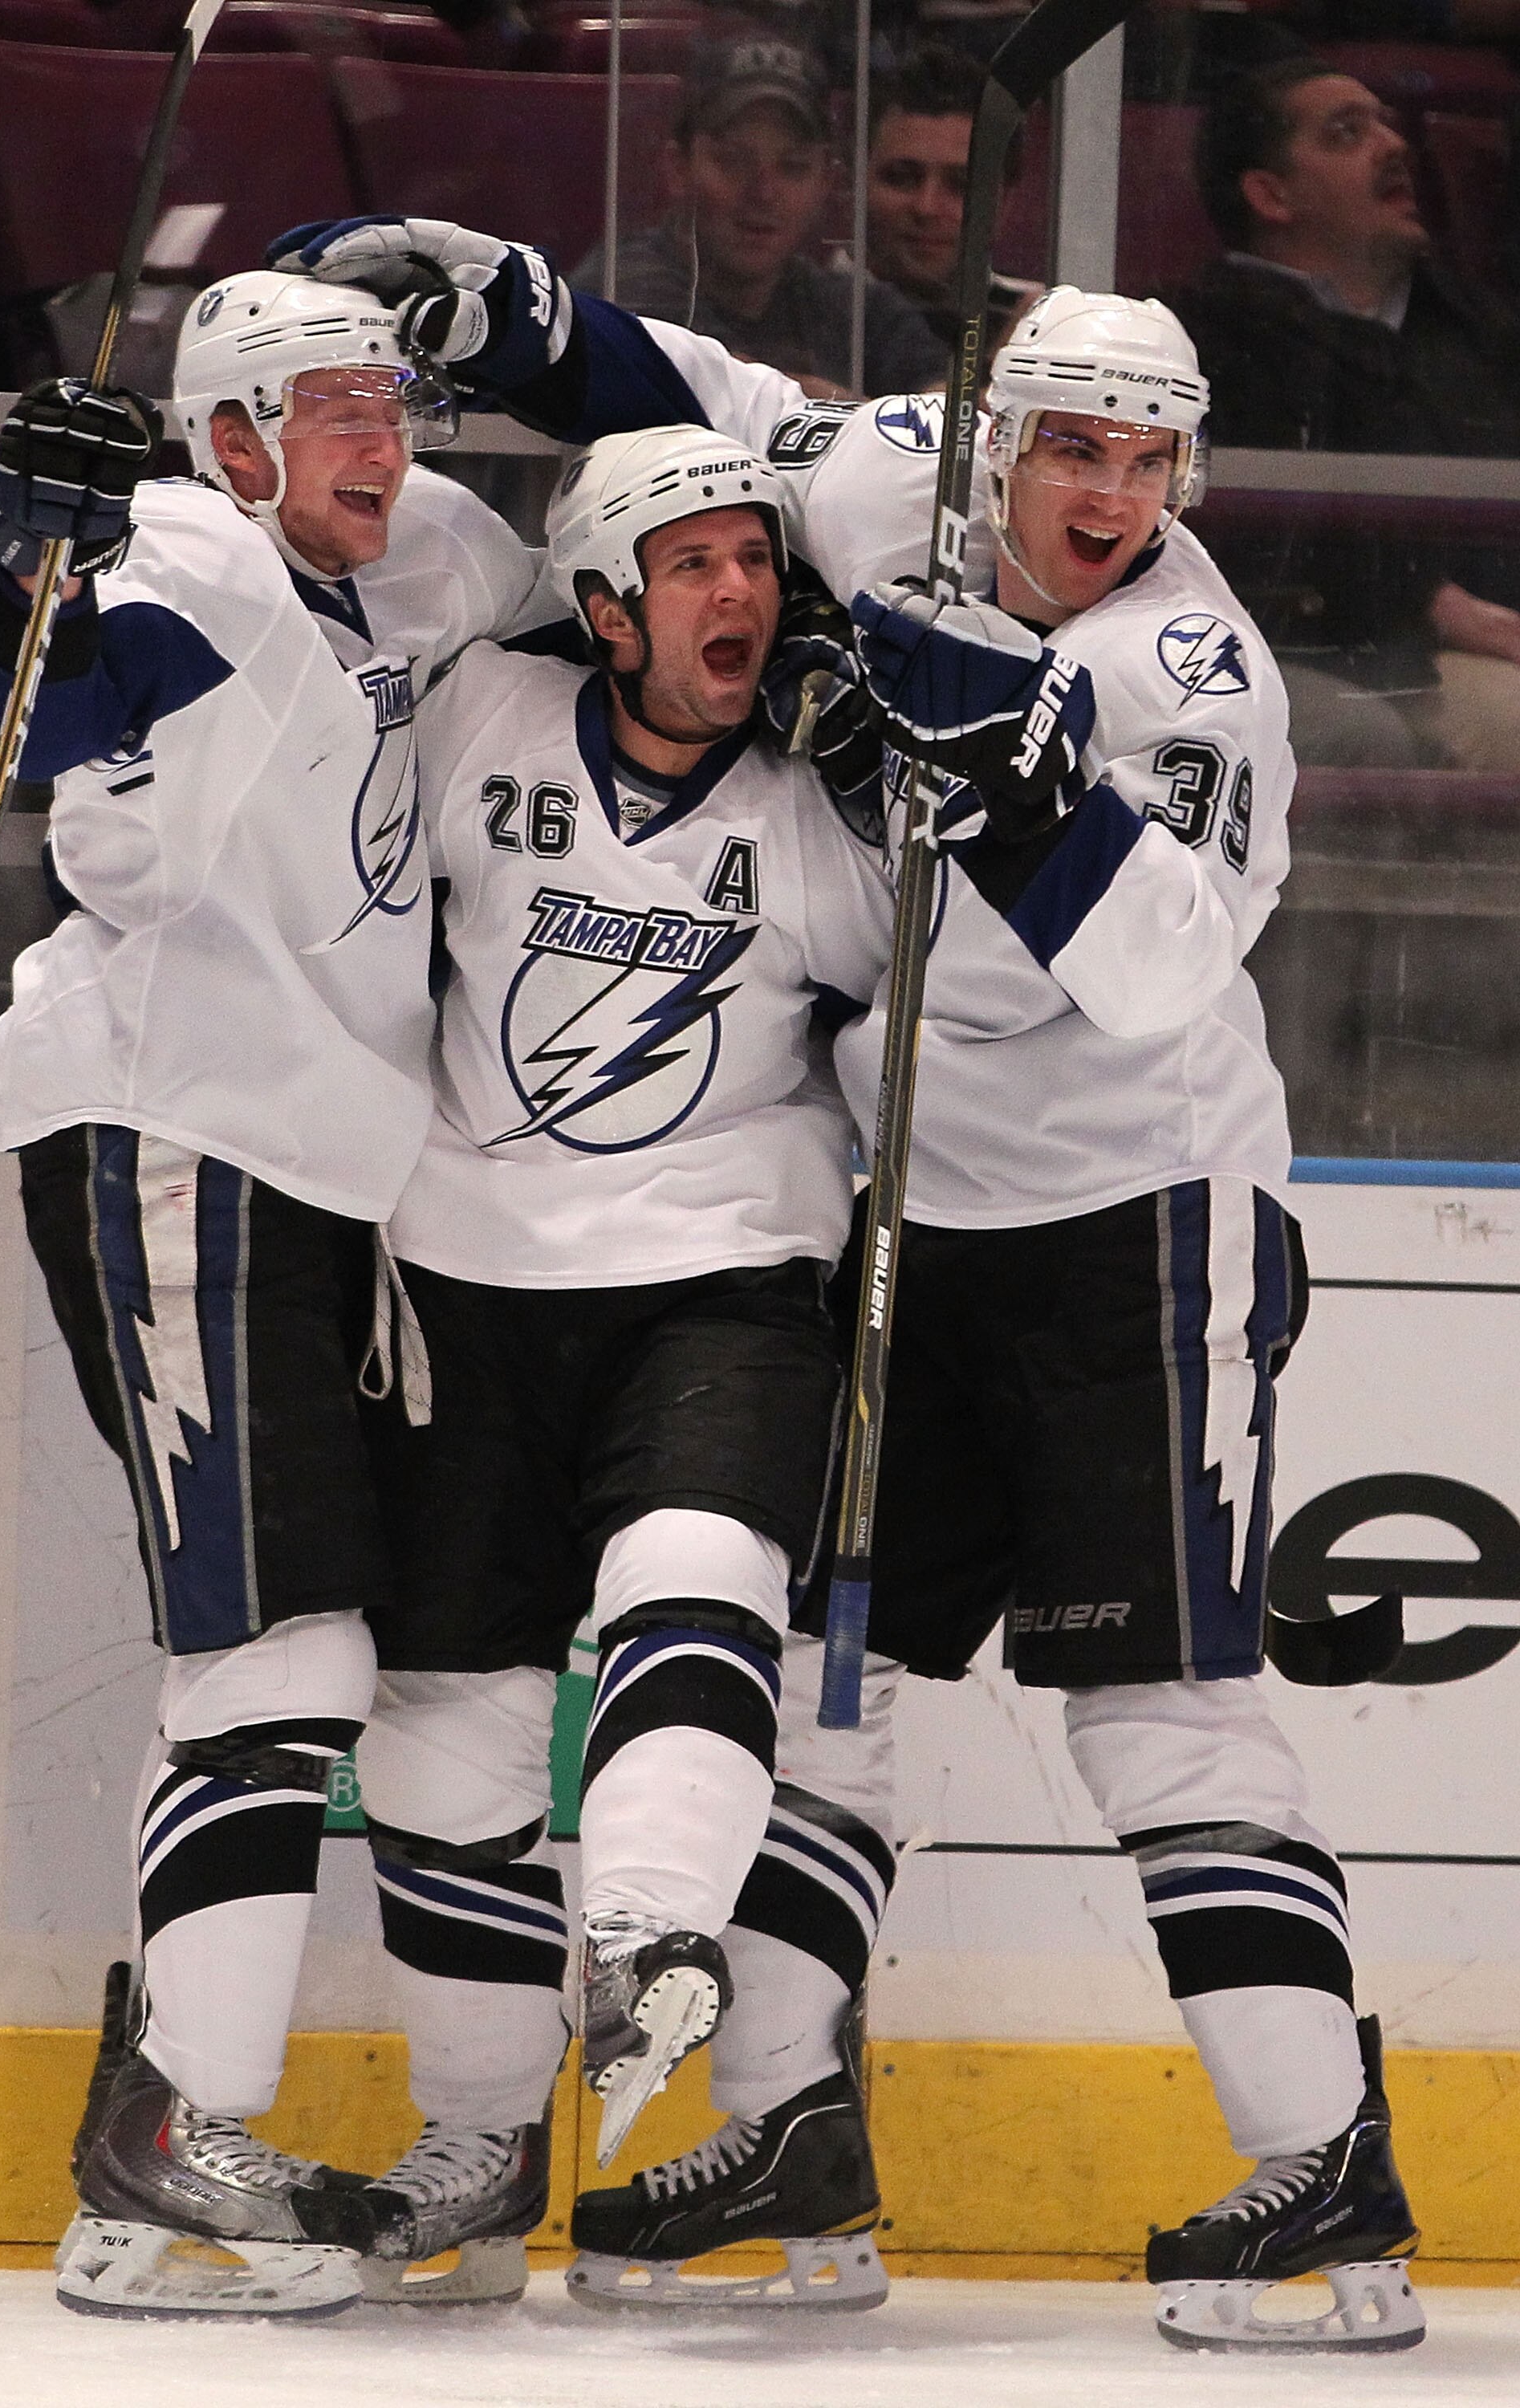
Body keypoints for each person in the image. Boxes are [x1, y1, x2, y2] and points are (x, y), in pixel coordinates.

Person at [566, 291, 1427, 2355]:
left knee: (1162, 1712)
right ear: (994, 445)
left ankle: (1326, 2193)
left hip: (1138, 1227)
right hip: (912, 1225)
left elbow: (1142, 974)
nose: (1110, 497)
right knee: (817, 1680)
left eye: (1147, 462)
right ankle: (792, 2139)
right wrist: (507, 311)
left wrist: (1017, 774)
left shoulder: (1189, 673)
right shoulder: (886, 477)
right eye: (1071, 450)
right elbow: (709, 423)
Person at [0, 266, 581, 2320]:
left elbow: (583, 587)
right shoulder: (190, 554)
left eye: (387, 407)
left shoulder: (421, 547)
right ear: (224, 437)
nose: (378, 445)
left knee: (400, 1668)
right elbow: (32, 706)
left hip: (347, 1180)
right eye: (328, 415)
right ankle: (170, 2148)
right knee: (276, 1651)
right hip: (172, 1130)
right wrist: (34, 550)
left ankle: (349, 2147)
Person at [334, 423, 895, 2304]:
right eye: (694, 564)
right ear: (600, 605)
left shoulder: (824, 809)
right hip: (465, 1278)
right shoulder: (474, 715)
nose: (738, 590)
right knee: (445, 1731)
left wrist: (925, 760)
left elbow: (968, 1009)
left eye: (759, 557)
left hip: (721, 1274)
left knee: (696, 1577)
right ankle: (485, 2140)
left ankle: (652, 1938)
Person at [1169, 55, 1520, 770]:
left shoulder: (1480, 330)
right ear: (1271, 196)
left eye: (1385, 127)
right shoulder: (1200, 341)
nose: (1393, 146)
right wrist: (1428, 601)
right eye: (1345, 133)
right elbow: (1232, 554)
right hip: (1366, 662)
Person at [571, 38, 950, 398]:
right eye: (734, 161)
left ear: (827, 182)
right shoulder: (622, 283)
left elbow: (952, 419)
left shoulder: (856, 312)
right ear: (678, 169)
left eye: (793, 167)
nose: (764, 193)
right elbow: (714, 390)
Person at [858, 43, 1037, 354]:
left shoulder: (1039, 325)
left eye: (961, 186)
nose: (926, 207)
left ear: (1005, 202)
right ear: (853, 183)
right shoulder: (793, 310)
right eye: (901, 178)